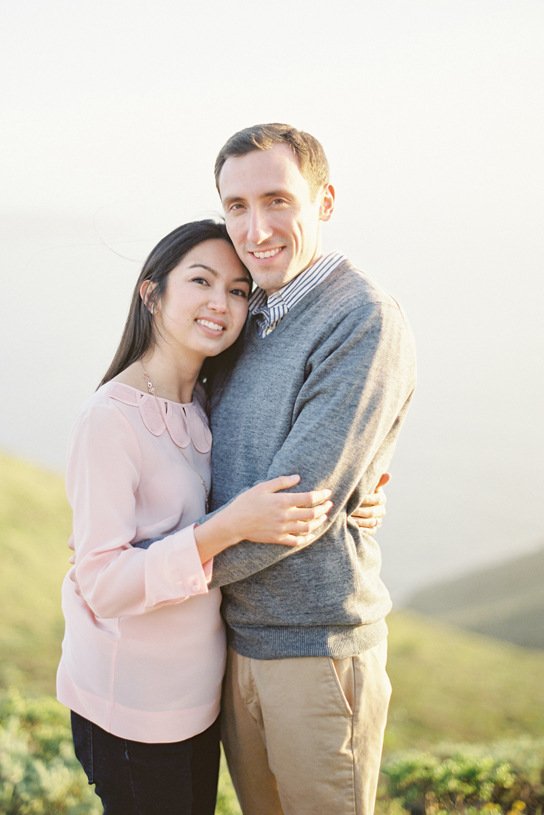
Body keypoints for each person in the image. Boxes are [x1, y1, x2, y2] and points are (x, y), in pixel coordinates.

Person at [58, 219, 353, 815]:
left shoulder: (208, 401)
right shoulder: (110, 420)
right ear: (152, 293)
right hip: (131, 708)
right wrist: (231, 527)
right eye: (201, 281)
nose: (222, 303)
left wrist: (359, 493)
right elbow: (102, 582)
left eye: (240, 290)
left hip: (199, 700)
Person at [206, 124, 416, 815]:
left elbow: (298, 503)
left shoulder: (361, 317)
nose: (256, 228)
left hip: (316, 652)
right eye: (236, 206)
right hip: (236, 643)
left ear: (324, 202)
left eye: (277, 200)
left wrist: (155, 568)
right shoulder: (244, 314)